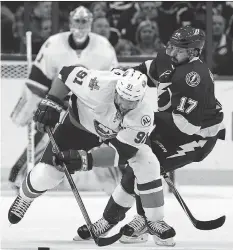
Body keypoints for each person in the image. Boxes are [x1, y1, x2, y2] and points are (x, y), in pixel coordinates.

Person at [74, 26, 225, 245]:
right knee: (138, 163)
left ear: (193, 53)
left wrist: (142, 120)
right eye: (170, 47)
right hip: (171, 127)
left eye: (178, 50)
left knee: (147, 168)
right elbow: (149, 69)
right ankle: (115, 220)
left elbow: (187, 125)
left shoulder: (195, 77)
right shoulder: (170, 57)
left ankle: (138, 221)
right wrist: (124, 78)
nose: (171, 53)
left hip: (197, 139)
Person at [8, 67, 176, 246]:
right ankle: (25, 198)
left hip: (113, 138)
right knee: (46, 175)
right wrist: (52, 102)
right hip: (76, 129)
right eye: (122, 98)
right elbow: (66, 73)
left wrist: (84, 160)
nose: (126, 105)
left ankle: (154, 219)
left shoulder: (143, 115)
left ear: (141, 98)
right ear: (116, 89)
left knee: (147, 160)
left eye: (132, 101)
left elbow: (123, 152)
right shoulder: (98, 84)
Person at [9, 6, 118, 191]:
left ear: (91, 23)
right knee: (44, 136)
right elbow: (37, 79)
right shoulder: (54, 44)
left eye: (85, 21)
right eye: (77, 21)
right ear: (69, 22)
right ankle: (19, 176)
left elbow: (113, 83)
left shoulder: (104, 47)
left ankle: (117, 184)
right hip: (57, 102)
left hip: (90, 108)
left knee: (104, 141)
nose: (81, 25)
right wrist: (30, 106)